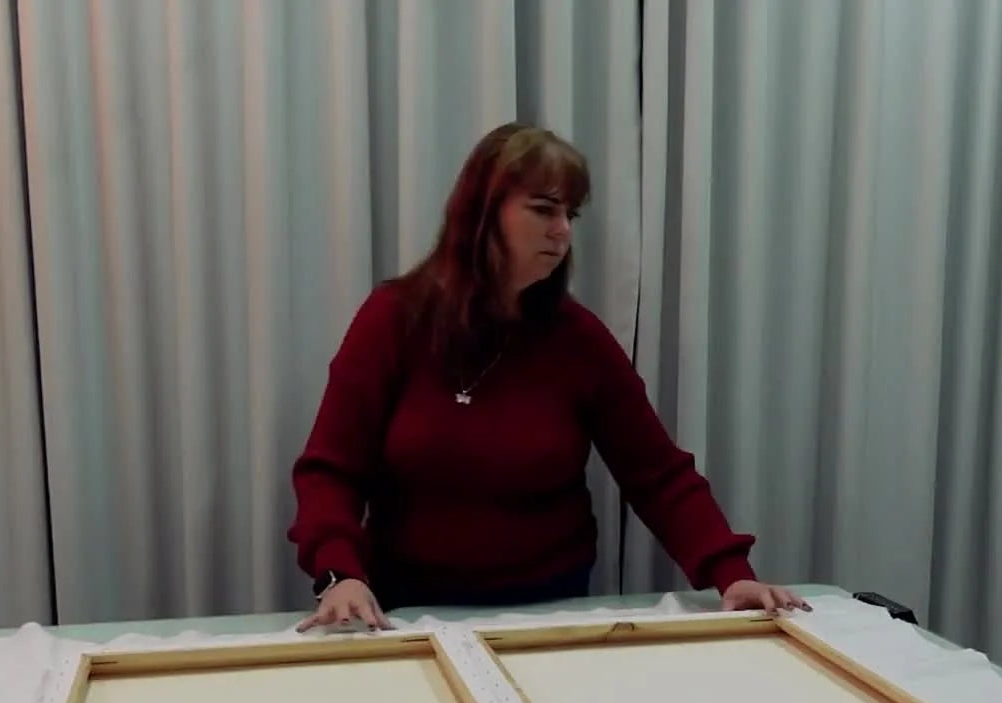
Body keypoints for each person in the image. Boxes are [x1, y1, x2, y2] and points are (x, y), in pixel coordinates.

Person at [289, 122, 807, 630]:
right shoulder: (393, 319)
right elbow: (330, 470)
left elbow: (659, 475)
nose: (563, 231)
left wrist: (730, 573)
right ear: (481, 212)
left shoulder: (578, 339)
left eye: (570, 213)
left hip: (550, 610)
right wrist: (339, 574)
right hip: (405, 608)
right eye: (543, 209)